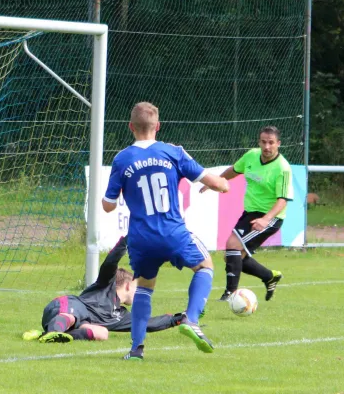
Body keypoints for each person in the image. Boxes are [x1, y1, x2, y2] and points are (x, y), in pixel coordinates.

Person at [102, 102, 230, 360]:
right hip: (173, 232)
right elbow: (216, 183)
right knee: (205, 267)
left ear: (131, 127)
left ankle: (136, 350)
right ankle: (191, 319)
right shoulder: (173, 152)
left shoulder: (122, 159)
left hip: (140, 238)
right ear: (158, 126)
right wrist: (224, 184)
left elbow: (108, 206)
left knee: (145, 287)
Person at [22, 236, 186, 343]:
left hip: (77, 323)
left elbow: (146, 323)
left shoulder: (120, 316)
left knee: (103, 333)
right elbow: (110, 262)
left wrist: (178, 319)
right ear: (128, 285)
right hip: (65, 306)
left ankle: (48, 335)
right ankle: (54, 331)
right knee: (72, 317)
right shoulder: (106, 283)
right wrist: (129, 238)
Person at [200, 125, 293, 302]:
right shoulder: (251, 155)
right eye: (264, 142)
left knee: (232, 246)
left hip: (271, 217)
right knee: (233, 257)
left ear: (278, 144)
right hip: (250, 213)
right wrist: (216, 181)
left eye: (271, 143)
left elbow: (282, 200)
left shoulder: (283, 168)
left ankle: (230, 293)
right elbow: (234, 170)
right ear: (259, 142)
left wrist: (266, 219)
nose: (267, 147)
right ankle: (269, 276)